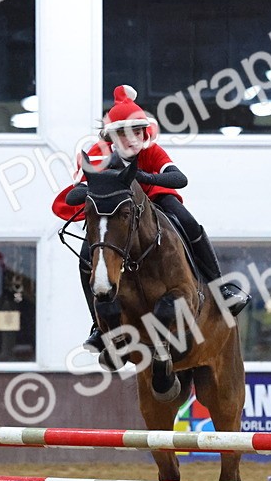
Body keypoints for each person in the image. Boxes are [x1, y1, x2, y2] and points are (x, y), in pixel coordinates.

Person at [53, 85, 250, 352]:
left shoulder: (151, 151)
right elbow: (74, 195)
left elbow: (180, 179)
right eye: (124, 133)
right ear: (111, 136)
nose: (132, 139)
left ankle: (220, 289)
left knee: (189, 222)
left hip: (153, 201)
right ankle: (99, 327)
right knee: (87, 255)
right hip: (116, 214)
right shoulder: (98, 154)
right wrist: (101, 185)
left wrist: (144, 177)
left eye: (137, 131)